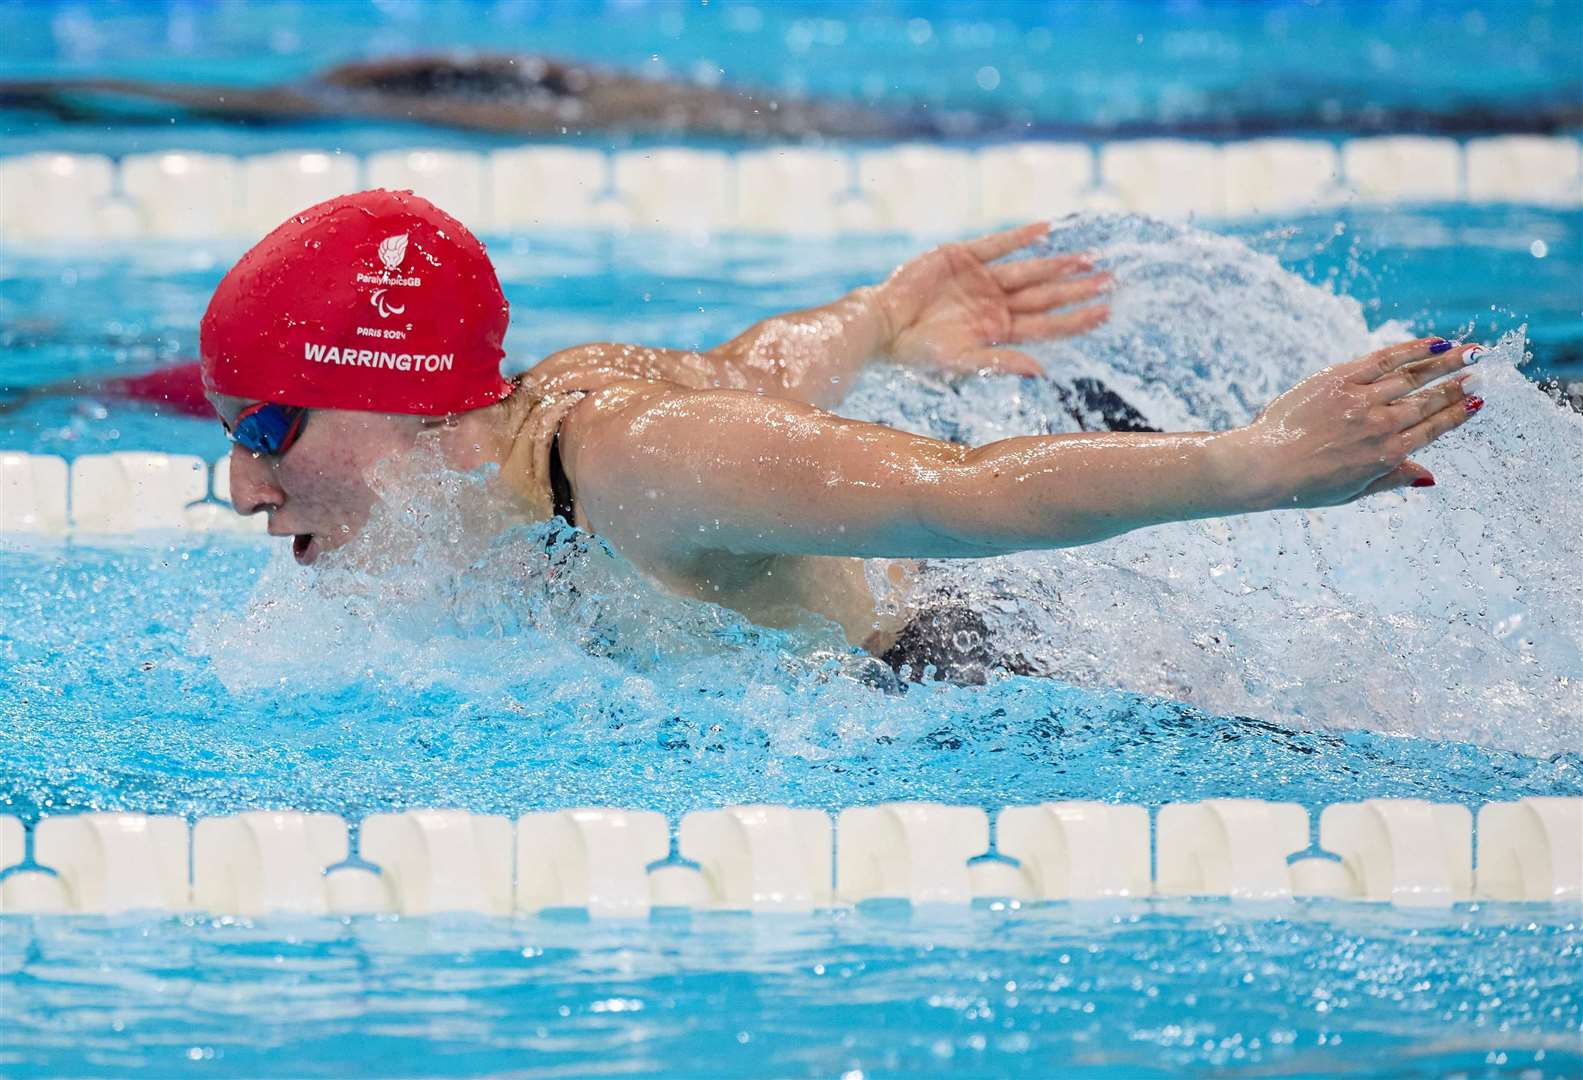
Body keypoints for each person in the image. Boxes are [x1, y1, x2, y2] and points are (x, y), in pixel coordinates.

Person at [202, 190, 1484, 681]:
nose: (242, 482)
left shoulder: (632, 466)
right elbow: (751, 367)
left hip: (976, 664)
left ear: (401, 394)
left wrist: (1248, 463)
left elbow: (952, 493)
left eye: (264, 424)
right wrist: (876, 315)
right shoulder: (539, 427)